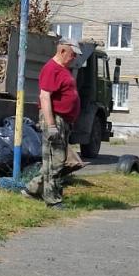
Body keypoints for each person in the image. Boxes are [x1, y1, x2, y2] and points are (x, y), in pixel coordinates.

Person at [24, 38, 82, 208]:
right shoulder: (51, 69)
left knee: (54, 160)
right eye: (72, 55)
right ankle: (52, 199)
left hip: (63, 120)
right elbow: (44, 97)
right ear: (62, 51)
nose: (74, 59)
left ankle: (32, 190)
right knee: (55, 161)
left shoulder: (63, 69)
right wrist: (51, 126)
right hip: (54, 118)